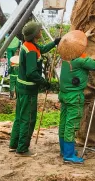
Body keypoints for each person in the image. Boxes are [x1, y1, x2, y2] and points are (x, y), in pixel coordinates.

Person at [9, 21, 60, 156]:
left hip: (21, 87)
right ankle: (22, 149)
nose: (41, 31)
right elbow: (31, 73)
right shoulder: (31, 50)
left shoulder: (29, 45)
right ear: (34, 34)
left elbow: (41, 49)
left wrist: (54, 42)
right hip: (28, 90)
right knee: (28, 118)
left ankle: (14, 144)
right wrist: (44, 82)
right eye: (39, 30)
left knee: (20, 117)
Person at [57, 29, 95, 164]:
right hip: (74, 97)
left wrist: (84, 36)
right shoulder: (80, 61)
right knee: (71, 125)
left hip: (64, 95)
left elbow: (73, 46)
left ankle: (64, 150)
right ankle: (68, 155)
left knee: (63, 123)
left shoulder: (65, 58)